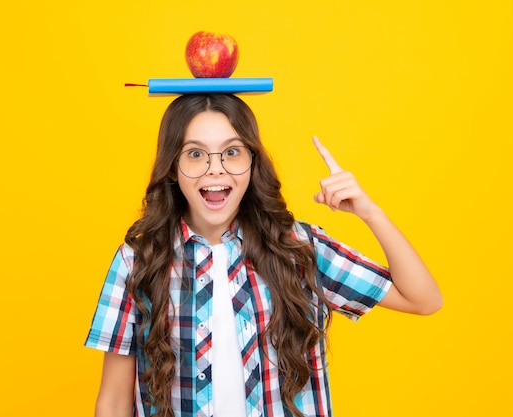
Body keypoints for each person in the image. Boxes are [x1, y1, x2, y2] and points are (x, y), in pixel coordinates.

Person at [85, 93, 442, 417]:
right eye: (195, 154)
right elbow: (114, 402)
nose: (216, 168)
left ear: (253, 162)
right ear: (173, 168)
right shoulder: (138, 261)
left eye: (232, 151)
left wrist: (370, 213)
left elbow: (423, 299)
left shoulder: (297, 248)